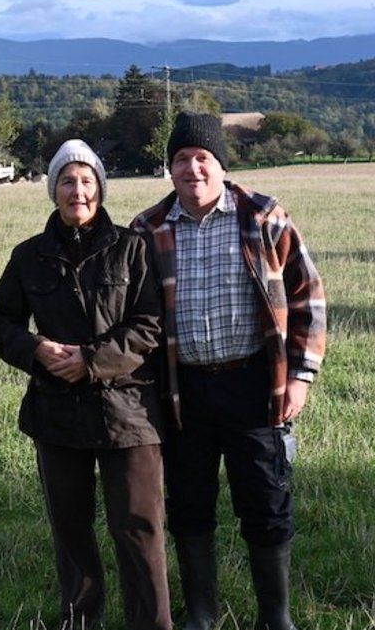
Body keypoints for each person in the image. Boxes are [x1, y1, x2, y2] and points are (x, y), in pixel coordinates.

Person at [131, 112, 327, 630]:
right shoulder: (148, 229)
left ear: (221, 165)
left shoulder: (263, 217)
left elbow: (308, 298)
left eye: (202, 158)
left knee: (264, 499)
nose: (192, 169)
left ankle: (274, 618)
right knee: (190, 505)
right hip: (181, 391)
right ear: (169, 169)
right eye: (181, 160)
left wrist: (301, 377)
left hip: (254, 386)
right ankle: (200, 616)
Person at [0, 139, 173, 630]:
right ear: (53, 191)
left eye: (87, 180)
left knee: (138, 528)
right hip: (56, 413)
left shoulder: (133, 249)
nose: (78, 191)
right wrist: (35, 352)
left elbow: (149, 324)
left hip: (129, 413)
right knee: (70, 530)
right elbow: (1, 322)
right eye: (67, 181)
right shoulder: (28, 257)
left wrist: (91, 361)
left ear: (101, 188)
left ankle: (151, 625)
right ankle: (80, 620)